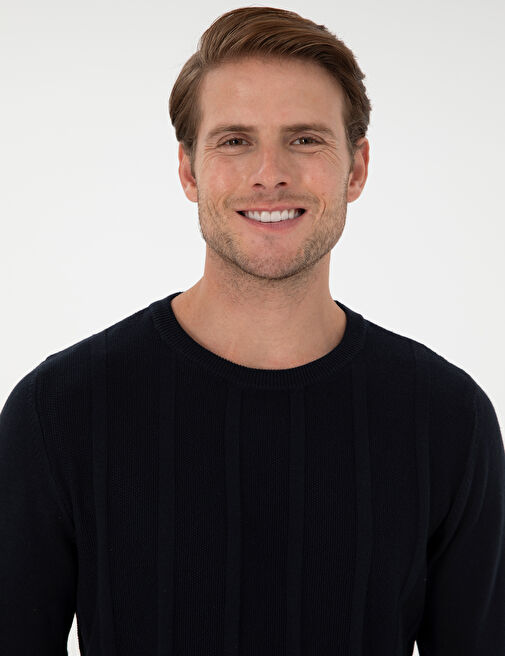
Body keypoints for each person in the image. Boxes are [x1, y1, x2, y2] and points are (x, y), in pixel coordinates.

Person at [1, 6, 504, 655]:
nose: (270, 172)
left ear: (356, 169)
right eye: (235, 140)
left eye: (305, 139)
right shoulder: (59, 410)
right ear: (189, 170)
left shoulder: (446, 419)